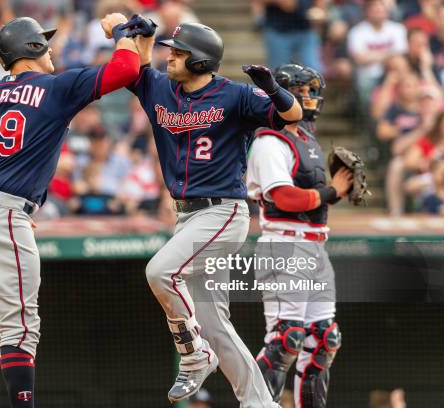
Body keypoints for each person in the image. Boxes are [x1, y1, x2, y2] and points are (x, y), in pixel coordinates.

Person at [0, 15, 140, 408]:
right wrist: (122, 31)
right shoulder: (53, 87)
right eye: (44, 42)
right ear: (31, 48)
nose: (51, 48)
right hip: (2, 214)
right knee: (20, 330)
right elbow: (127, 67)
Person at [125, 16, 302, 405]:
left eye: (178, 52)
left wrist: (273, 89)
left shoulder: (235, 95)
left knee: (160, 271)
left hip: (222, 213)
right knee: (214, 325)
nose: (169, 56)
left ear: (201, 61)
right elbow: (132, 68)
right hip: (187, 217)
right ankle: (260, 402)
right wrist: (140, 34)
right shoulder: (160, 88)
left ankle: (193, 354)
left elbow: (293, 116)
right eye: (169, 49)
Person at [246, 63, 351, 407]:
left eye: (310, 90)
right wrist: (332, 191)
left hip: (314, 246)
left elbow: (312, 202)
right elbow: (283, 197)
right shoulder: (269, 139)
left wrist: (337, 190)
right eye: (301, 90)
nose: (309, 97)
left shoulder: (307, 138)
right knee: (286, 340)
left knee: (324, 339)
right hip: (284, 244)